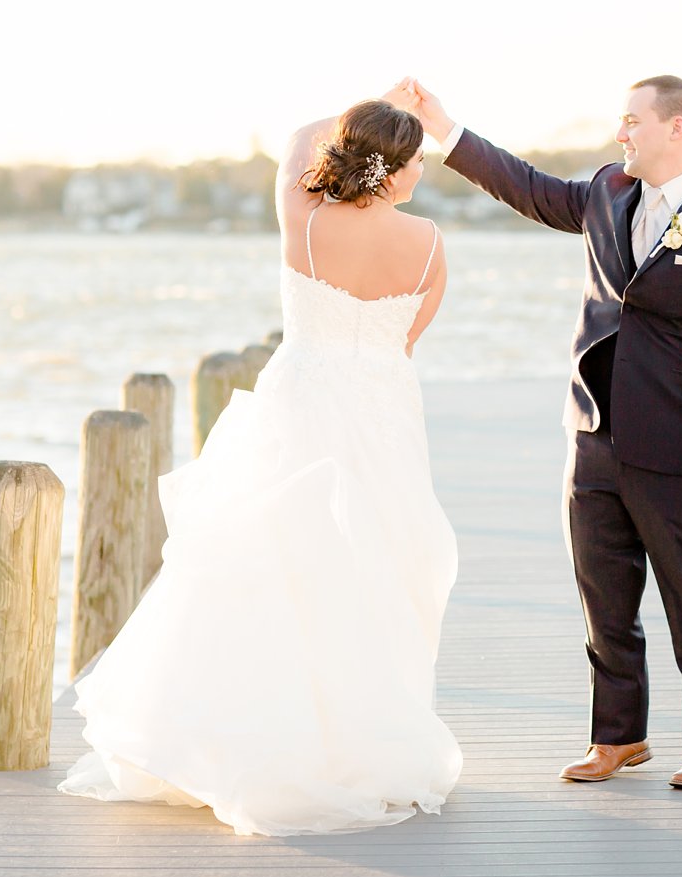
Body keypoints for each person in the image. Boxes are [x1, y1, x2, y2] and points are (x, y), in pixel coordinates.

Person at [56, 81, 462, 835]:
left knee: (269, 562)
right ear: (394, 168)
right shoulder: (431, 243)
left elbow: (299, 141)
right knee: (375, 566)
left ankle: (238, 735)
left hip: (301, 400)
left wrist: (377, 103)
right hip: (382, 414)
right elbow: (406, 341)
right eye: (416, 161)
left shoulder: (305, 222)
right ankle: (358, 742)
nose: (421, 174)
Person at [410, 75, 682, 790]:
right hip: (593, 435)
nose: (621, 134)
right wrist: (445, 129)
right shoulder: (605, 194)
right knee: (603, 599)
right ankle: (618, 738)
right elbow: (524, 185)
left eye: (632, 121)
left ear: (677, 129)